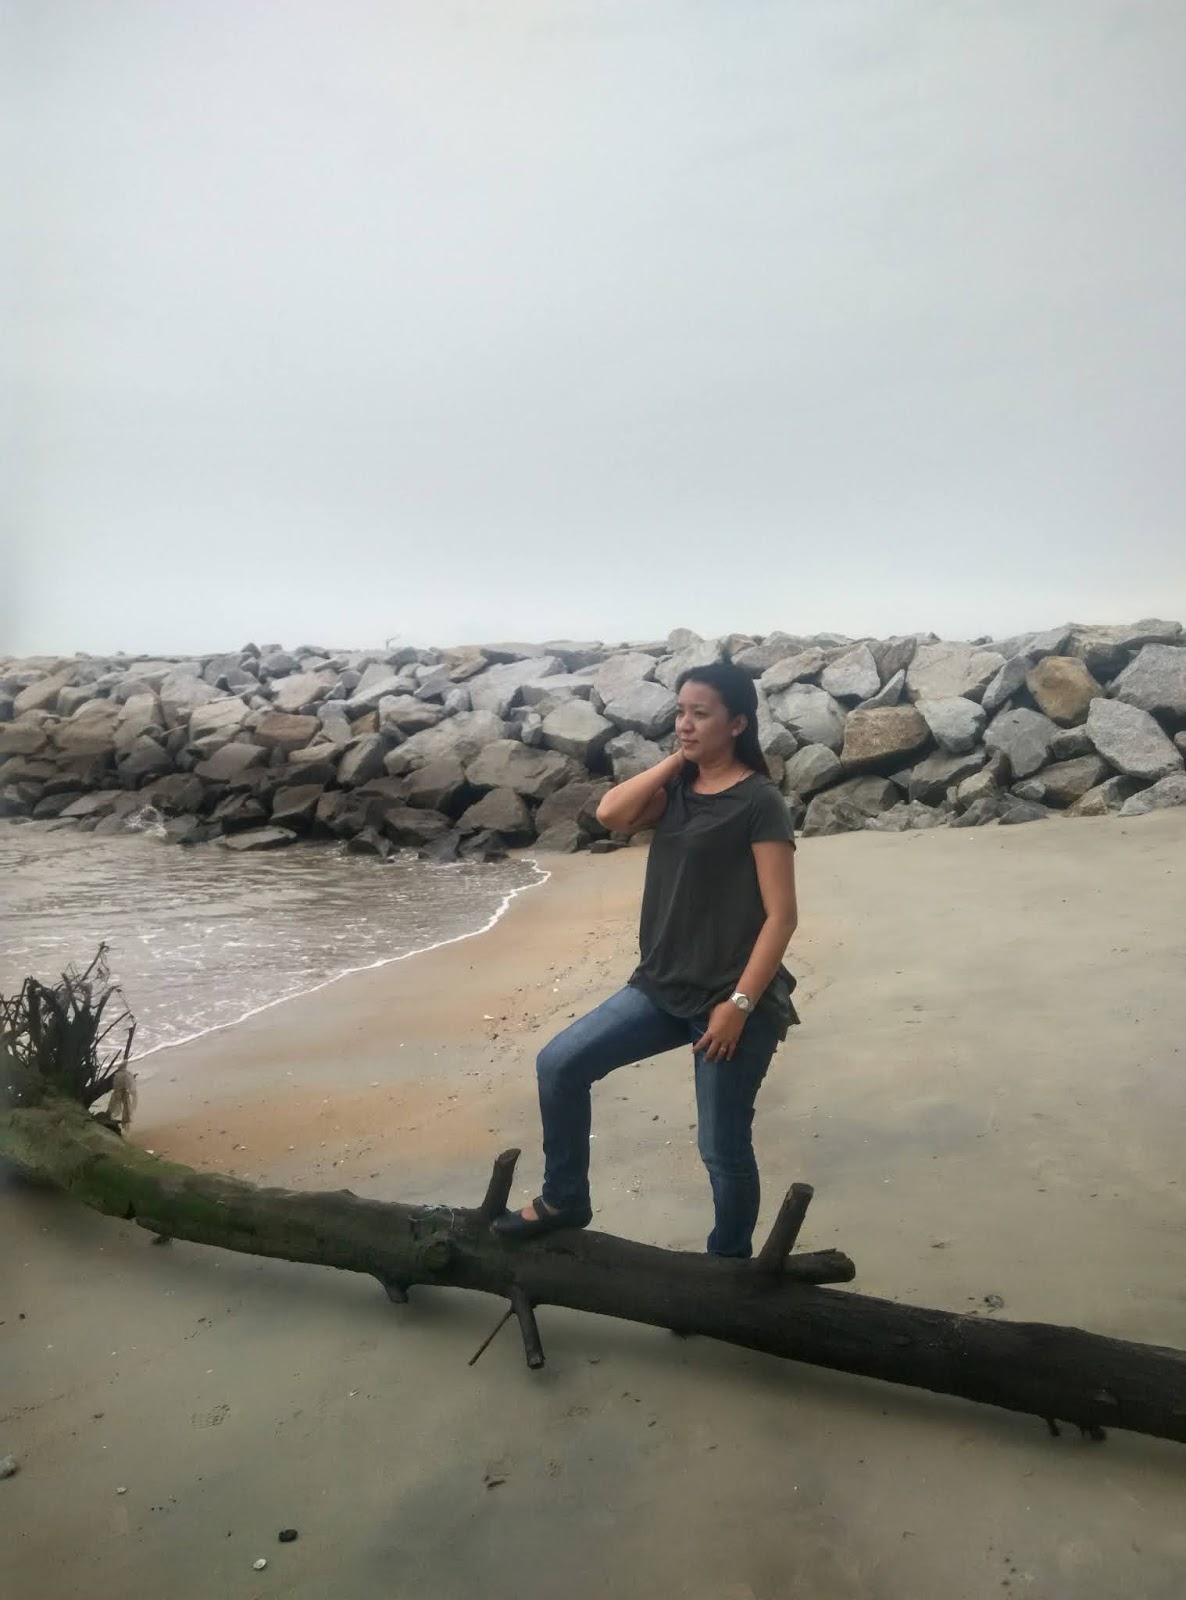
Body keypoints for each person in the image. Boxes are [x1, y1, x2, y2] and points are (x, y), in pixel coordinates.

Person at [493, 661, 799, 1257]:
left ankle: (728, 1266)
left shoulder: (760, 802)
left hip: (731, 999)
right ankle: (565, 1198)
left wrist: (738, 1006)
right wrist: (678, 761)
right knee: (560, 1065)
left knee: (721, 1149)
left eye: (700, 714)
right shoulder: (676, 789)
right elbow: (610, 814)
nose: (685, 724)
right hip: (661, 986)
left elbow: (781, 917)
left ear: (738, 723)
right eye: (680, 712)